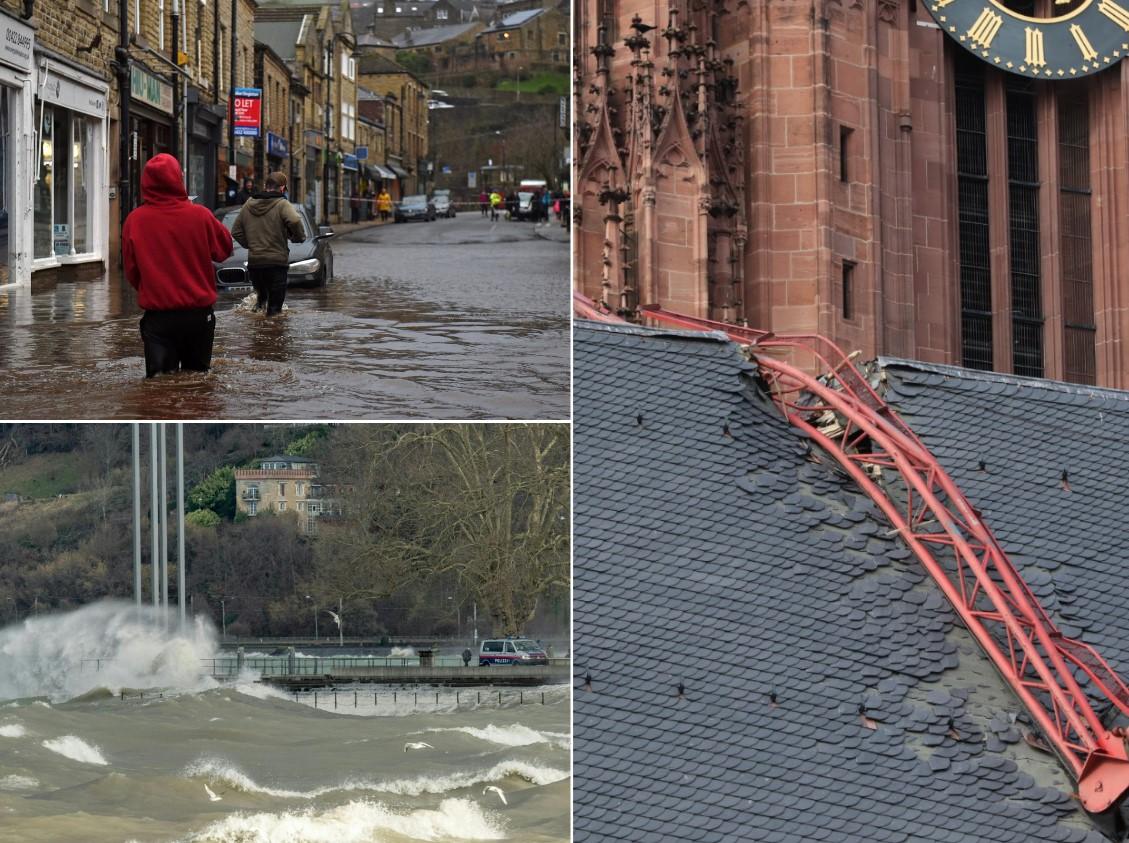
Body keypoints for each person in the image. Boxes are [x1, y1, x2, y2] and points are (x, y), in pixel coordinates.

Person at [122, 153, 234, 378]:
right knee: (198, 384)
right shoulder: (200, 215)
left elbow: (132, 272)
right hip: (198, 317)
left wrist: (155, 288)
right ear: (178, 180)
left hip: (159, 319)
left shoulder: (134, 220)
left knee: (159, 390)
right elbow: (225, 250)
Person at [232, 171, 305, 316]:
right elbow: (295, 220)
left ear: (266, 186)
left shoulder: (248, 204)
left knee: (260, 304)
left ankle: (257, 336)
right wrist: (298, 237)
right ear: (282, 188)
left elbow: (236, 231)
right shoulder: (282, 204)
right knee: (274, 312)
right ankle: (272, 335)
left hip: (255, 264)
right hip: (276, 264)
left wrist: (251, 245)